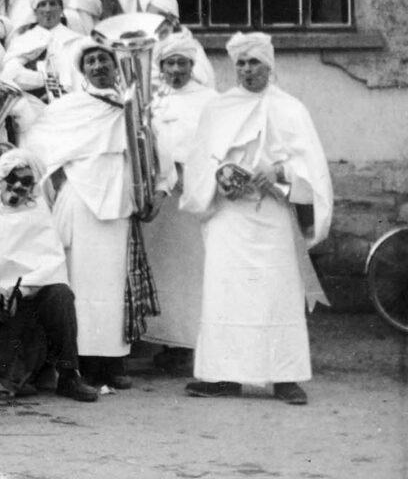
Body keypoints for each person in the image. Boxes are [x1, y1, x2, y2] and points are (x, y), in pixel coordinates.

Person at [180, 32, 332, 405]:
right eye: (242, 64)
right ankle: (224, 376)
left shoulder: (291, 109)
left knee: (276, 293)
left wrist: (279, 171)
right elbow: (200, 161)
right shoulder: (218, 109)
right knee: (228, 293)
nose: (248, 70)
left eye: (255, 63)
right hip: (229, 215)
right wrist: (219, 179)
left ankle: (285, 378)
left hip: (272, 214)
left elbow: (311, 167)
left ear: (269, 66)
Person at [25, 38, 169, 391]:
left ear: (115, 64)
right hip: (79, 200)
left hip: (120, 200)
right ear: (83, 69)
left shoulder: (133, 106)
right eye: (90, 62)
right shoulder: (67, 107)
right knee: (79, 284)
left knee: (115, 285)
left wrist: (159, 191)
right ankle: (80, 363)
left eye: (104, 60)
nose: (98, 66)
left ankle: (113, 362)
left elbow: (157, 153)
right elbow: (38, 147)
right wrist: (56, 176)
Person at [0, 149, 99, 403]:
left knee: (61, 295)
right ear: (0, 179)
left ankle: (69, 374)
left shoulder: (39, 211)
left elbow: (52, 260)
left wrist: (24, 289)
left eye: (26, 181)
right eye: (11, 179)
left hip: (31, 288)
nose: (18, 186)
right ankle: (7, 377)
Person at [141, 33, 219, 373]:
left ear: (192, 65)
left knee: (191, 270)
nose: (176, 70)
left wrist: (192, 171)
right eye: (169, 63)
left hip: (194, 196)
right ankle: (165, 341)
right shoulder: (153, 101)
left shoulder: (210, 100)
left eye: (182, 63)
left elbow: (217, 144)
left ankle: (191, 344)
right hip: (163, 199)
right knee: (163, 268)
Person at [2, 0, 86, 101]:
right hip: (32, 102)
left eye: (53, 4)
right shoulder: (22, 41)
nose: (48, 9)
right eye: (42, 5)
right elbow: (10, 74)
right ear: (35, 11)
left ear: (61, 9)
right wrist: (45, 79)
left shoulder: (77, 41)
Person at [138, 0, 215, 90]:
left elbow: (202, 82)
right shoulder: (148, 46)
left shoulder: (189, 47)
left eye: (158, 17)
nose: (154, 22)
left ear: (173, 20)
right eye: (149, 18)